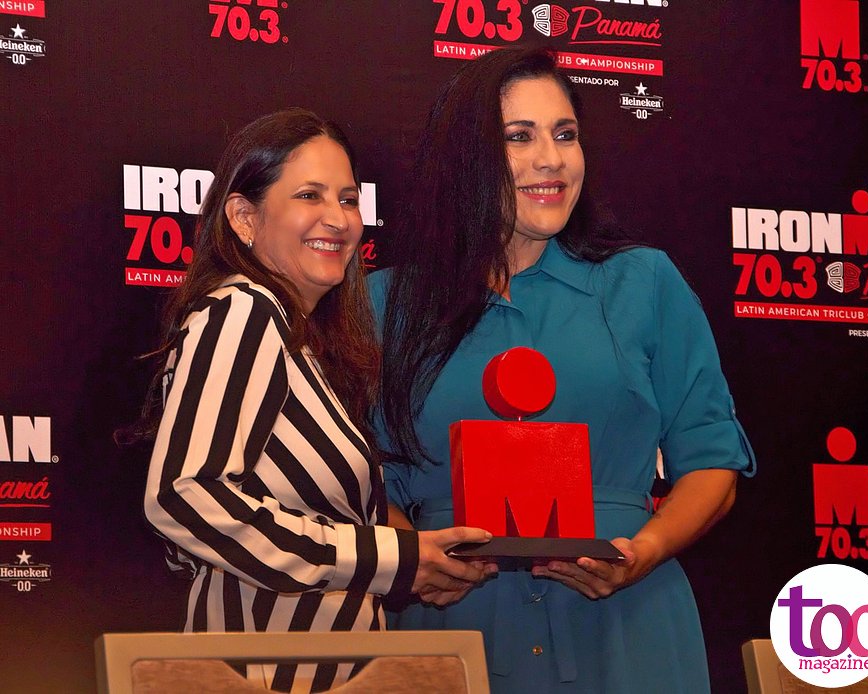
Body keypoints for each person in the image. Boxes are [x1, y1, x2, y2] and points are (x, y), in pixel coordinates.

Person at [369, 48, 756, 693]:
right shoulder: (385, 304)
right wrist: (410, 554)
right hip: (453, 632)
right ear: (465, 156)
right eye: (519, 137)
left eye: (565, 134)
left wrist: (645, 552)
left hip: (629, 631)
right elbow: (352, 478)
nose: (551, 159)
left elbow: (713, 462)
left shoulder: (645, 283)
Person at [141, 108, 495, 693]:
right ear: (244, 217)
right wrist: (386, 559)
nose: (338, 218)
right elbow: (184, 497)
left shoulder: (295, 339)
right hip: (266, 677)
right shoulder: (244, 311)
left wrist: (410, 563)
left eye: (349, 199)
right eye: (309, 195)